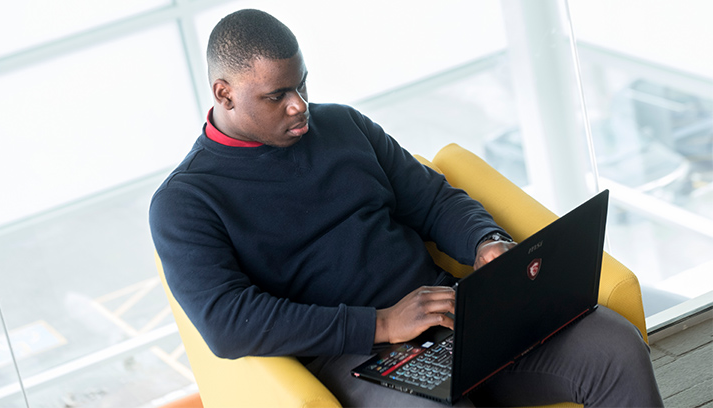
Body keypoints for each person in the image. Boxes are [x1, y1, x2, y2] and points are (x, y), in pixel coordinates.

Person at [149, 9, 664, 407]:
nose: (300, 104)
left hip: (456, 313)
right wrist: (382, 324)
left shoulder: (344, 126)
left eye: (302, 84)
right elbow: (228, 323)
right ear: (225, 93)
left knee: (612, 346)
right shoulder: (185, 202)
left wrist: (487, 244)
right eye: (277, 95)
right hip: (357, 355)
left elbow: (433, 199)